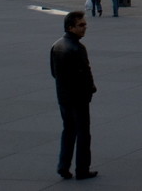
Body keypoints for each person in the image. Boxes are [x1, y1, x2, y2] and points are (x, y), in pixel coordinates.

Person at [50, 11, 97, 179]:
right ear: (71, 27)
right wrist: (91, 89)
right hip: (79, 98)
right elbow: (85, 73)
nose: (85, 28)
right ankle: (82, 169)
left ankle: (63, 166)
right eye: (81, 25)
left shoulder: (56, 45)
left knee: (68, 130)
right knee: (83, 133)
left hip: (63, 97)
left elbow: (54, 73)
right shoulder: (77, 48)